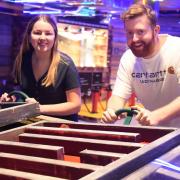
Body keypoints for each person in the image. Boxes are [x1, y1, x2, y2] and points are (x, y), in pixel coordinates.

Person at [102, 3, 180, 127]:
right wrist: (112, 111)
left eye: (140, 32)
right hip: (158, 131)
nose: (134, 39)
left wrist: (157, 116)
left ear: (156, 30)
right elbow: (118, 96)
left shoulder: (176, 49)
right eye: (129, 33)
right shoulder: (128, 58)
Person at [0, 15, 81, 122]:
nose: (42, 37)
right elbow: (16, 92)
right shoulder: (22, 60)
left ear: (55, 37)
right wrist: (9, 99)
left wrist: (38, 108)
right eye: (37, 33)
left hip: (61, 127)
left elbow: (75, 105)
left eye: (48, 33)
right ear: (29, 36)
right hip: (30, 123)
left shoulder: (66, 64)